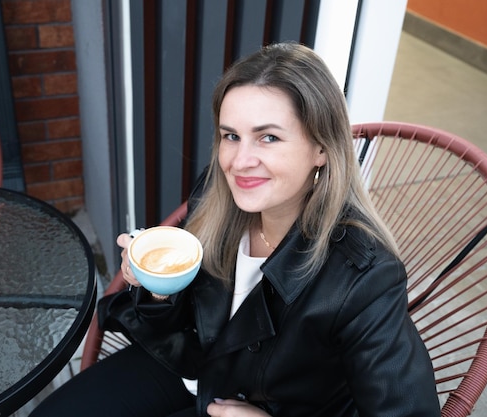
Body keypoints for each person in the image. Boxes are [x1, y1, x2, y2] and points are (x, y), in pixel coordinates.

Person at [29, 42, 440, 417]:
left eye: (269, 138)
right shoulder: (217, 194)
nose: (240, 162)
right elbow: (183, 325)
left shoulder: (364, 276)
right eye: (231, 136)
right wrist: (157, 286)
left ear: (321, 148)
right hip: (189, 367)